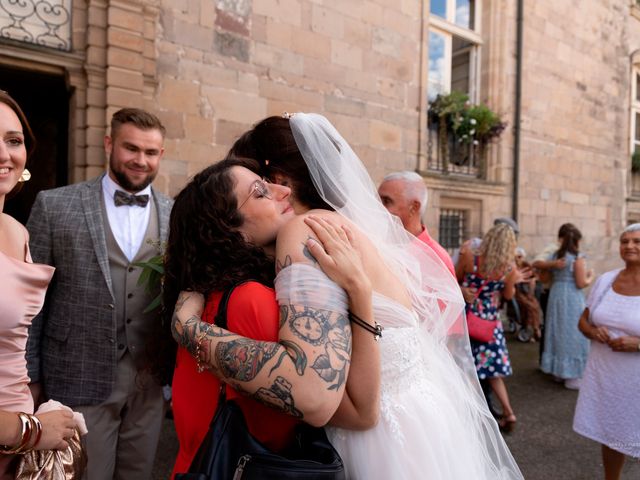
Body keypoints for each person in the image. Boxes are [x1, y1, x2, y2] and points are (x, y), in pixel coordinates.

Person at [173, 114, 523, 479]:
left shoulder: (304, 231)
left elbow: (315, 391)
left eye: (263, 184)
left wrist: (188, 328)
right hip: (423, 419)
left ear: (280, 179)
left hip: (376, 438)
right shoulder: (346, 226)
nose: (273, 192)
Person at [162, 157, 377, 477]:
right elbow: (355, 412)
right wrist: (361, 293)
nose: (283, 190)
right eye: (260, 191)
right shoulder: (251, 299)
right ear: (229, 228)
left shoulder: (209, 293)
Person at [25, 108, 173, 479]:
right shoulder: (55, 205)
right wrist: (29, 377)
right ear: (109, 144)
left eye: (151, 152)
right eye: (131, 148)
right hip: (77, 372)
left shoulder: (176, 213)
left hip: (149, 381)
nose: (141, 160)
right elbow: (32, 303)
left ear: (161, 155)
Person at [0, 90, 79, 478]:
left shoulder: (17, 230)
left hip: (19, 444)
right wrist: (31, 430)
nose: (4, 154)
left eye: (13, 141)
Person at [573, 223, 640, 480]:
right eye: (625, 241)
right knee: (613, 433)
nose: (630, 246)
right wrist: (592, 332)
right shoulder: (606, 280)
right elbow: (584, 320)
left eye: (637, 241)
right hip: (608, 376)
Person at [456, 223, 523, 433]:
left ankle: (474, 412)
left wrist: (464, 288)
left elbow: (454, 278)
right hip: (489, 319)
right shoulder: (510, 268)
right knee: (493, 370)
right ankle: (509, 412)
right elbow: (509, 297)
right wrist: (515, 281)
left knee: (466, 365)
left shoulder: (470, 257)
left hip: (466, 314)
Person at [535, 223, 594, 389]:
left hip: (556, 294)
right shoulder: (578, 257)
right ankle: (572, 377)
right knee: (574, 334)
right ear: (578, 240)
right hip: (572, 297)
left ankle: (558, 373)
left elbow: (544, 279)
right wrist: (590, 276)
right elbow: (581, 283)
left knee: (557, 331)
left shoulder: (554, 257)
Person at [377, 171, 455, 276]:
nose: (378, 208)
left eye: (386, 201)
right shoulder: (376, 242)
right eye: (377, 200)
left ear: (414, 207)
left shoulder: (437, 258)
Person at [514, 247, 542, 341]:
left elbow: (536, 276)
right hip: (518, 292)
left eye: (520, 257)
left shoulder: (526, 265)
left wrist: (532, 280)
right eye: (517, 257)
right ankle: (535, 329)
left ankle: (535, 329)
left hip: (528, 291)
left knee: (535, 306)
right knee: (530, 307)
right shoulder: (513, 267)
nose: (518, 259)